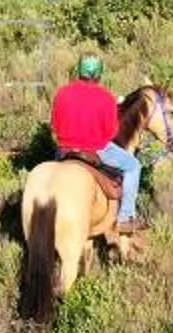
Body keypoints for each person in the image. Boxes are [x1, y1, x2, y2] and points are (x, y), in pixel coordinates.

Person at [49, 53, 144, 231]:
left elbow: (54, 127)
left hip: (64, 151)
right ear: (99, 72)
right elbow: (111, 133)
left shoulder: (62, 93)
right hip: (96, 149)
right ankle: (125, 217)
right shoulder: (106, 97)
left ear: (79, 70)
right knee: (133, 166)